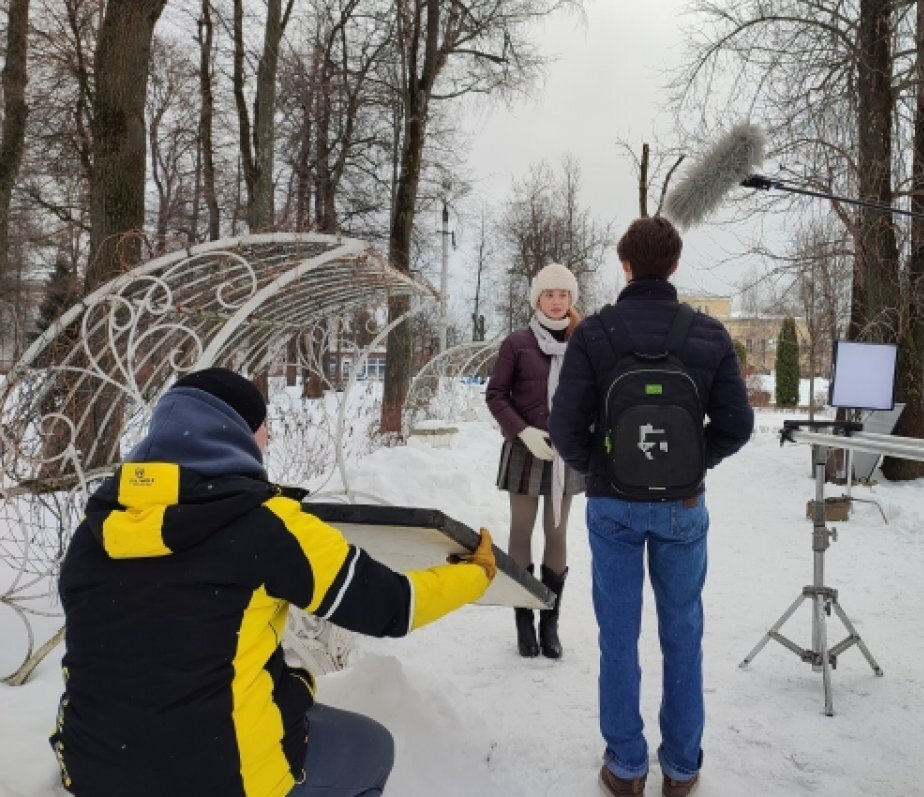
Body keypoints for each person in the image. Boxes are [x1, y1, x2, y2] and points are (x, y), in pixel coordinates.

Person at [49, 367, 497, 797]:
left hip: (92, 769)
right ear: (237, 431)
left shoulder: (97, 530)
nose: (269, 439)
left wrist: (293, 685)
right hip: (221, 779)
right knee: (373, 747)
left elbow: (142, 648)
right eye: (265, 426)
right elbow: (394, 607)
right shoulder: (265, 526)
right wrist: (475, 575)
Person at [549, 217, 754, 797]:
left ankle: (626, 767)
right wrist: (694, 464)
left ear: (626, 264)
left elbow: (564, 427)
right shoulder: (708, 334)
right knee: (683, 631)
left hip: (612, 503)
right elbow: (739, 425)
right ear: (675, 264)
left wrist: (601, 466)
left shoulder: (593, 334)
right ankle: (683, 769)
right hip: (683, 507)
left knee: (618, 635)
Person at [486, 262, 586, 659]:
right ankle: (524, 619)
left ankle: (550, 619)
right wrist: (522, 430)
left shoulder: (583, 342)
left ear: (571, 299)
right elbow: (496, 394)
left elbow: (590, 396)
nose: (557, 302)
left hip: (566, 454)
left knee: (557, 533)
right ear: (537, 298)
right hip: (525, 450)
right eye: (550, 294)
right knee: (522, 530)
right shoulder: (517, 343)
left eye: (563, 295)